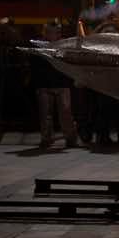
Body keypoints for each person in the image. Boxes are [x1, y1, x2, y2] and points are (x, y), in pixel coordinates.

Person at [32, 21, 79, 149]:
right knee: (45, 113)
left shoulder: (65, 44)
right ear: (46, 32)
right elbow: (35, 65)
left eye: (57, 31)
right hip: (44, 83)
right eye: (52, 31)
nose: (55, 34)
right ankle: (46, 138)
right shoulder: (39, 44)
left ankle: (70, 138)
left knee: (65, 112)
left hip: (62, 83)